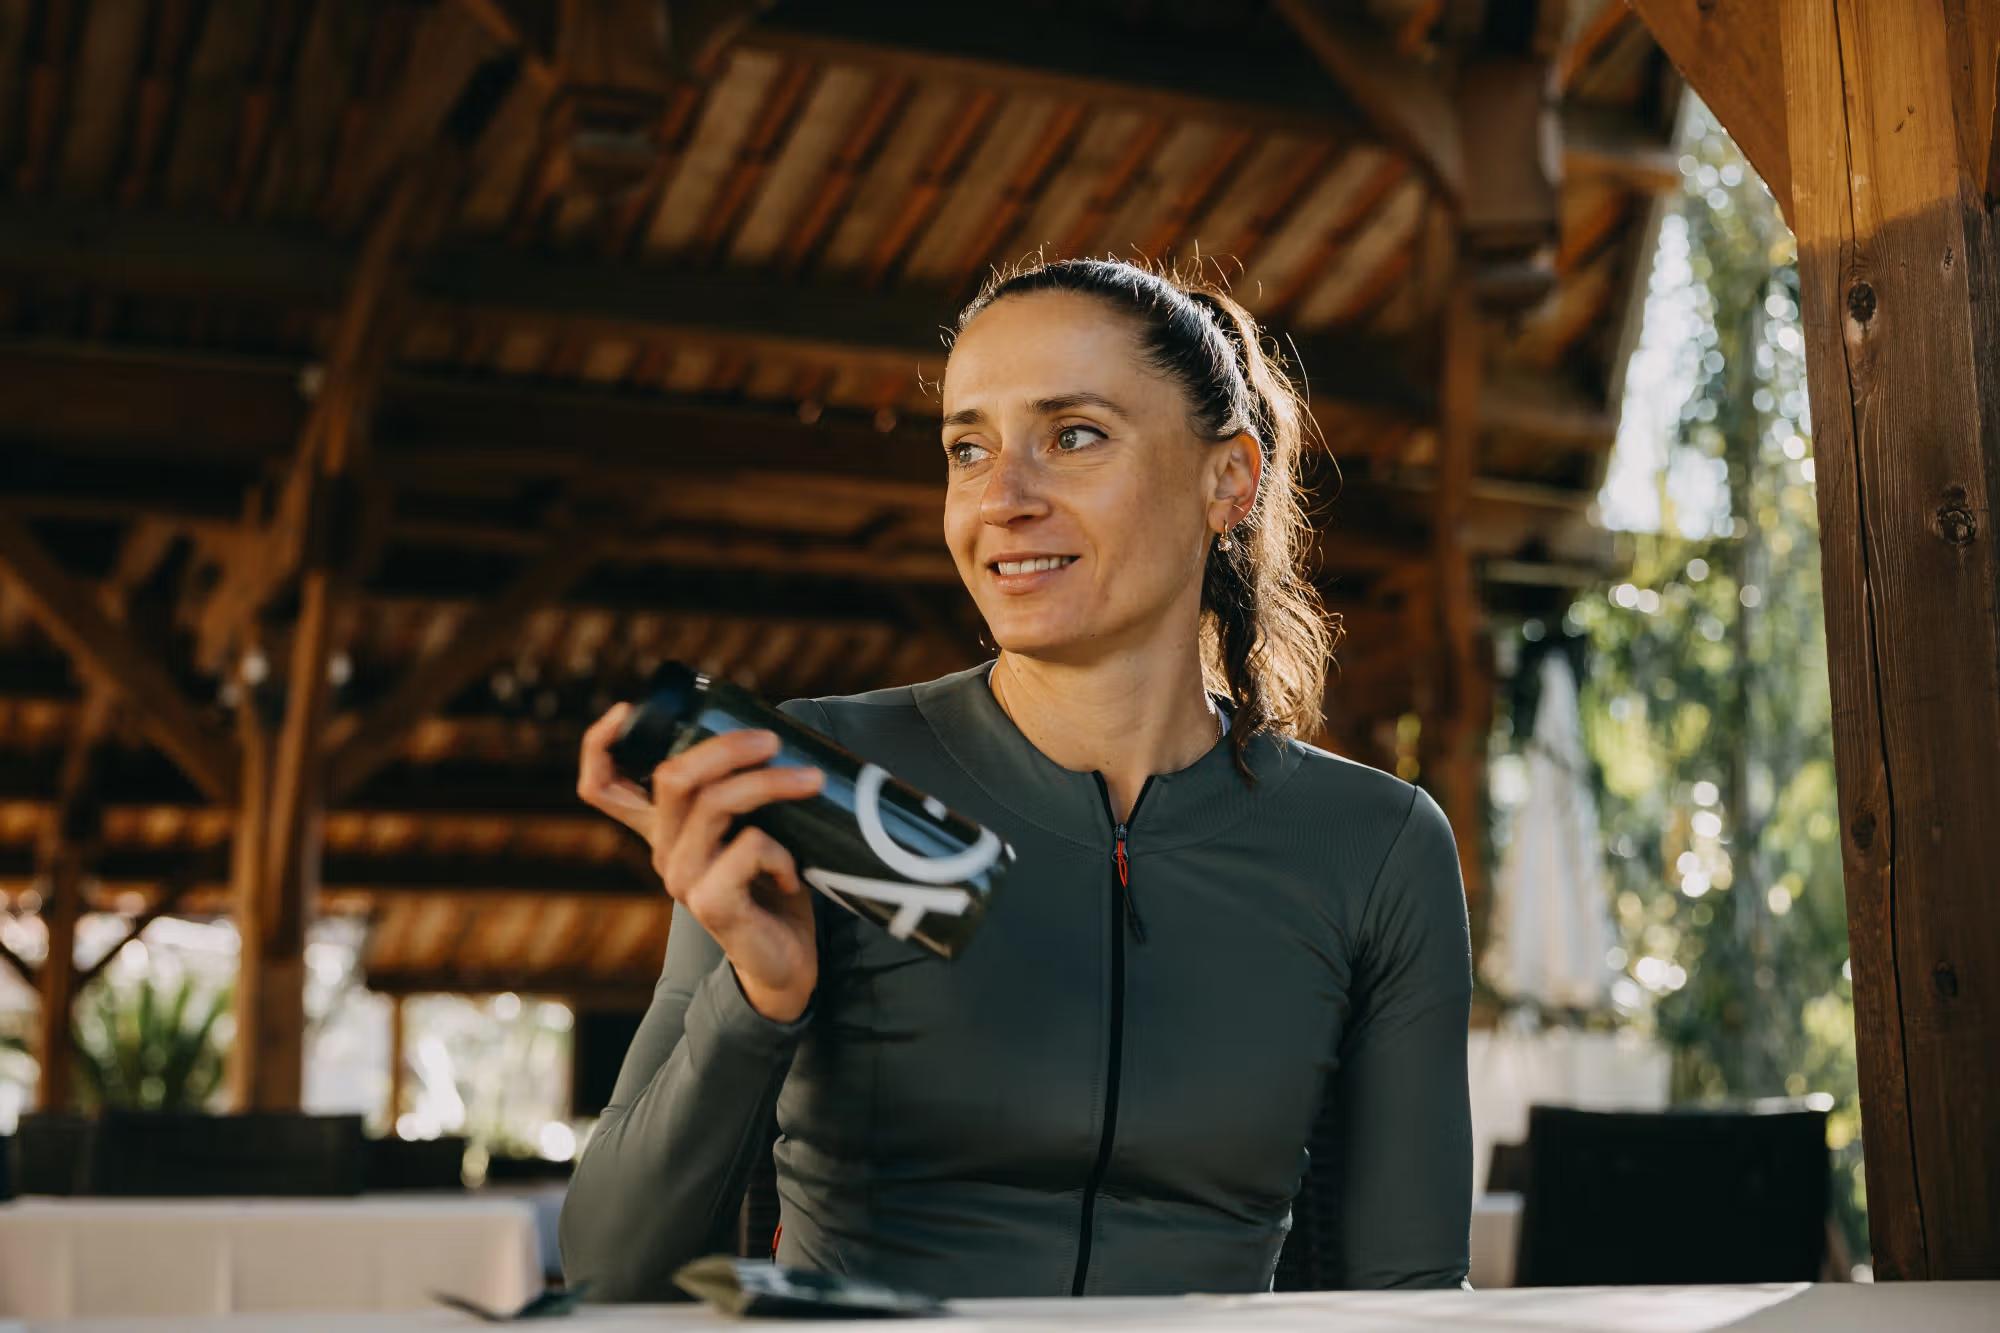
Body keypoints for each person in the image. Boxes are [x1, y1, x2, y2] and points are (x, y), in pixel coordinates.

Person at [559, 257, 1473, 1302]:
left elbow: (1406, 1297)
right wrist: (759, 998)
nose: (1001, 499)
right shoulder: (819, 780)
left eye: (1072, 436)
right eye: (967, 447)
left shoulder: (1372, 844)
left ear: (1229, 478)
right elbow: (608, 1269)